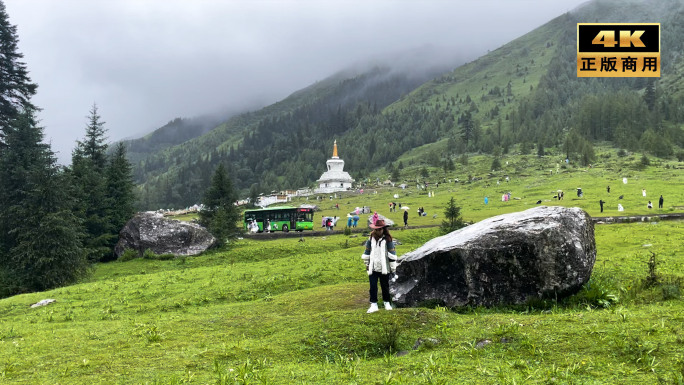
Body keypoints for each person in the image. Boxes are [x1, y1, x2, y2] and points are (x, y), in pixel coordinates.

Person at [361, 219, 398, 313]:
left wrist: (393, 269)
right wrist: (367, 264)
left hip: (384, 267)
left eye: (380, 229)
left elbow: (392, 254)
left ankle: (387, 302)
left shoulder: (388, 239)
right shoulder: (370, 238)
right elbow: (367, 252)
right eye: (376, 229)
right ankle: (373, 304)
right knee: (373, 286)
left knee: (385, 286)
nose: (378, 231)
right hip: (373, 267)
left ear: (383, 229)